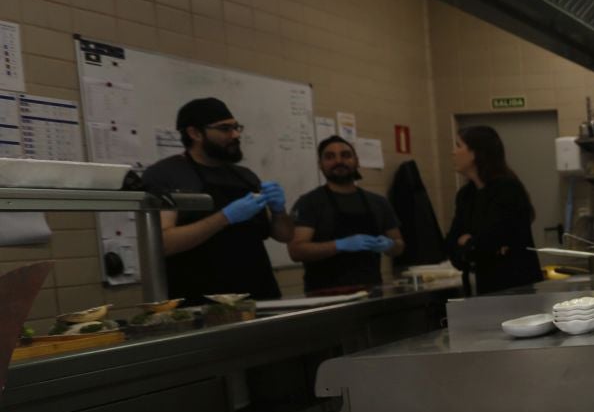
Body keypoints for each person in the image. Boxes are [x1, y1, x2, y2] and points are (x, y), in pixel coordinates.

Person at [143, 97, 293, 302]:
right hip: (201, 302)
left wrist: (279, 211)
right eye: (225, 129)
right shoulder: (166, 174)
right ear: (194, 133)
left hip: (259, 295)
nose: (236, 134)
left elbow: (284, 235)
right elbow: (164, 243)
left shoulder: (245, 176)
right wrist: (224, 218)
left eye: (236, 127)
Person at [287, 135, 404, 293]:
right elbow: (296, 250)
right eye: (330, 157)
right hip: (325, 298)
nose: (338, 161)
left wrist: (389, 245)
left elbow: (399, 245)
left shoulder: (378, 202)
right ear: (320, 165)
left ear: (356, 161)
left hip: (372, 294)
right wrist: (339, 245)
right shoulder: (309, 203)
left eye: (345, 155)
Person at [446, 125, 540, 294]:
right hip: (477, 289)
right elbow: (452, 245)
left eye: (459, 146)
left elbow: (491, 241)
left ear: (476, 153)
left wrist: (468, 243)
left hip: (512, 288)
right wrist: (469, 247)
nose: (453, 152)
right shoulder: (465, 195)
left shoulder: (507, 190)